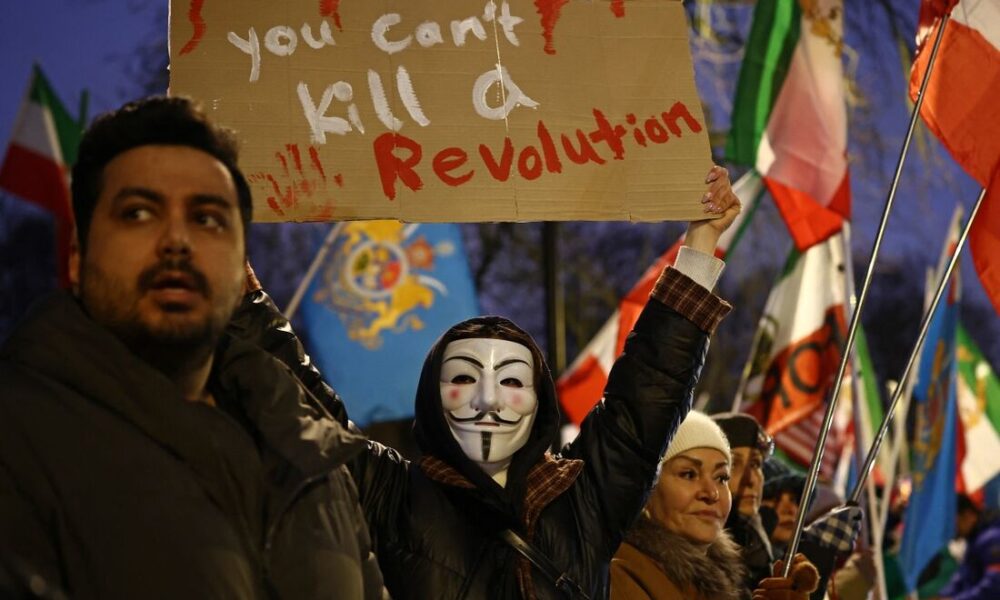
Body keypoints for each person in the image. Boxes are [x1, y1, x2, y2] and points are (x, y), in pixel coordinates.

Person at [232, 165, 741, 598]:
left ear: (539, 404)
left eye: (512, 381)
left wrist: (702, 242)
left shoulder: (586, 499)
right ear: (432, 399)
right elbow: (301, 403)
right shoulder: (392, 497)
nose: (488, 399)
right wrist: (233, 284)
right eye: (462, 377)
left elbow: (648, 390)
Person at [0, 97, 386, 599]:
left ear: (242, 269)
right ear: (77, 257)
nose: (177, 240)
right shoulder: (17, 441)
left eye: (207, 219)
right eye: (139, 213)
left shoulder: (313, 456)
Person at [610, 410, 820, 600]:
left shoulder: (722, 579)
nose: (712, 493)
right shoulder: (620, 572)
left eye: (721, 478)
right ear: (647, 489)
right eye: (689, 474)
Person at [713, 412, 776, 591]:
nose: (750, 479)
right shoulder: (693, 548)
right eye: (733, 464)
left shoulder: (761, 547)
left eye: (755, 464)